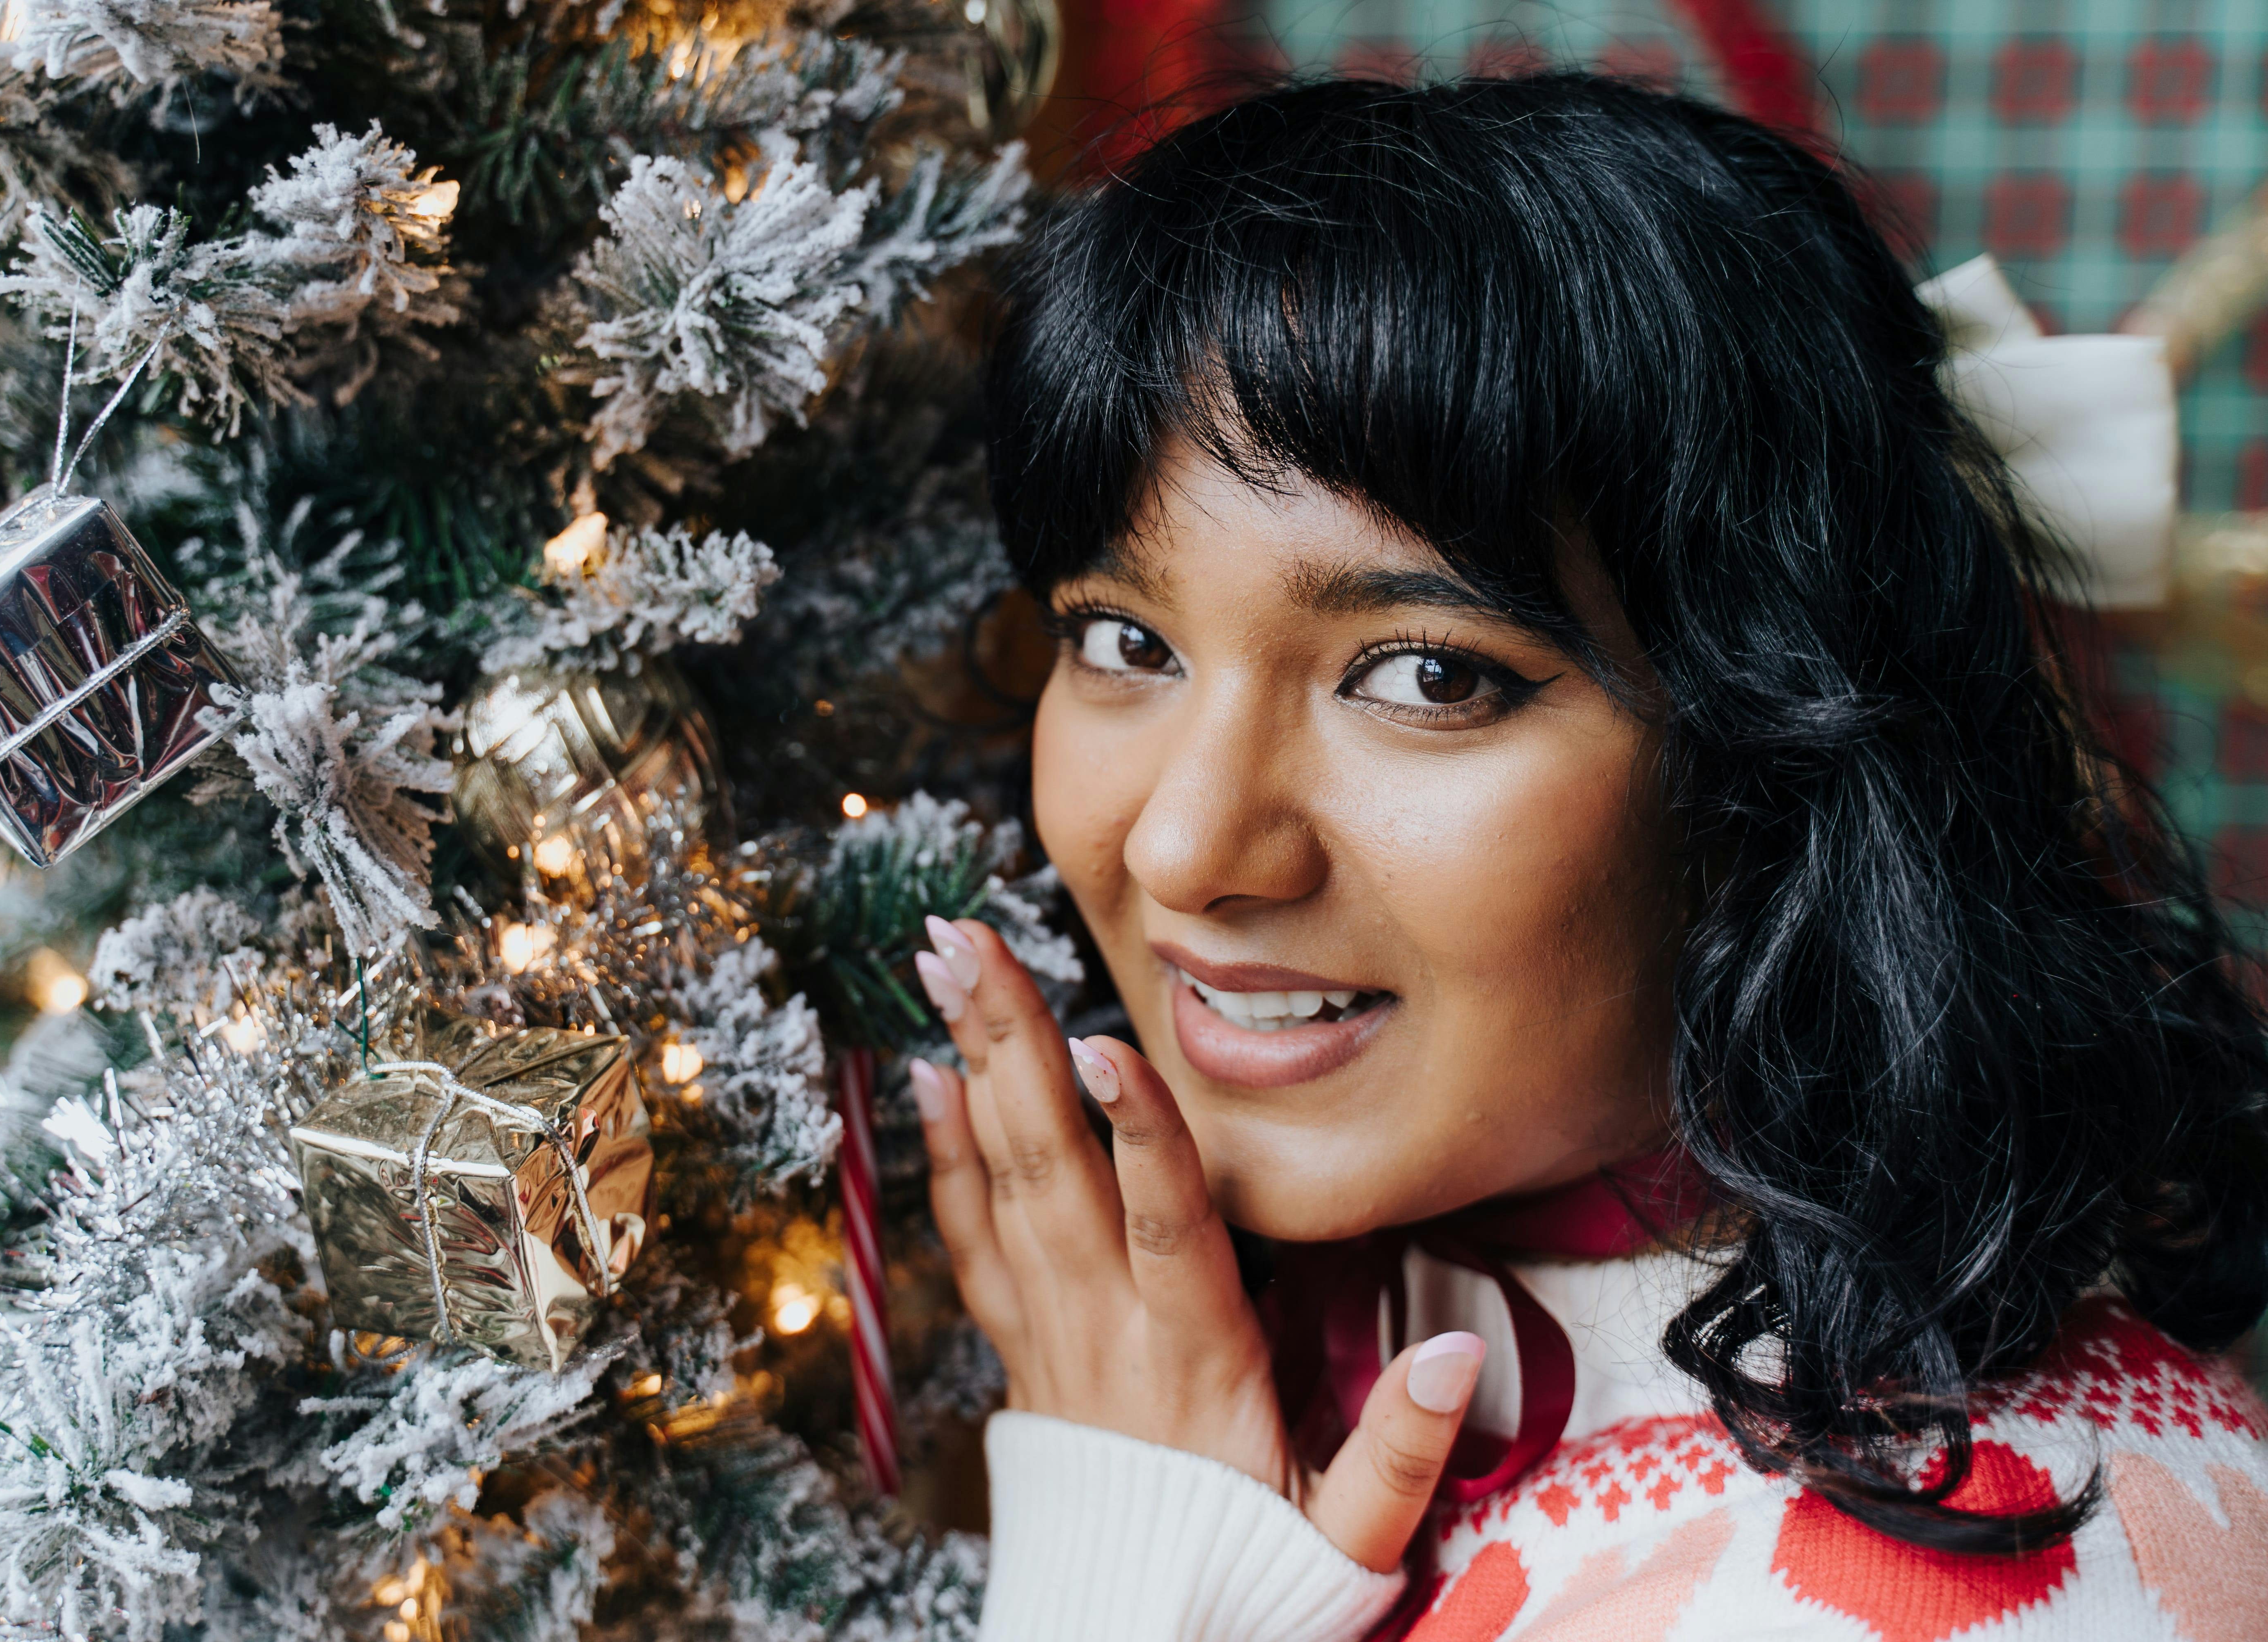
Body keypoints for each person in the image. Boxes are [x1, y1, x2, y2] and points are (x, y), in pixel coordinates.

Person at [904, 73, 2268, 1641]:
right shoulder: (1234, 1332)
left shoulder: (1968, 1576)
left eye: (1426, 674)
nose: (1189, 845)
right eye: (1126, 639)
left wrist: (1121, 1570)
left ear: (1782, 754)